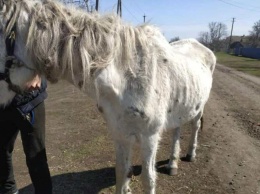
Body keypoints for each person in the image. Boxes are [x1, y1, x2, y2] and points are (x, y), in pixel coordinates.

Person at [0, 74, 53, 194]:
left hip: (28, 100)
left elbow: (44, 55)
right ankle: (8, 190)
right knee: (1, 151)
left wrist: (37, 72)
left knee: (35, 154)